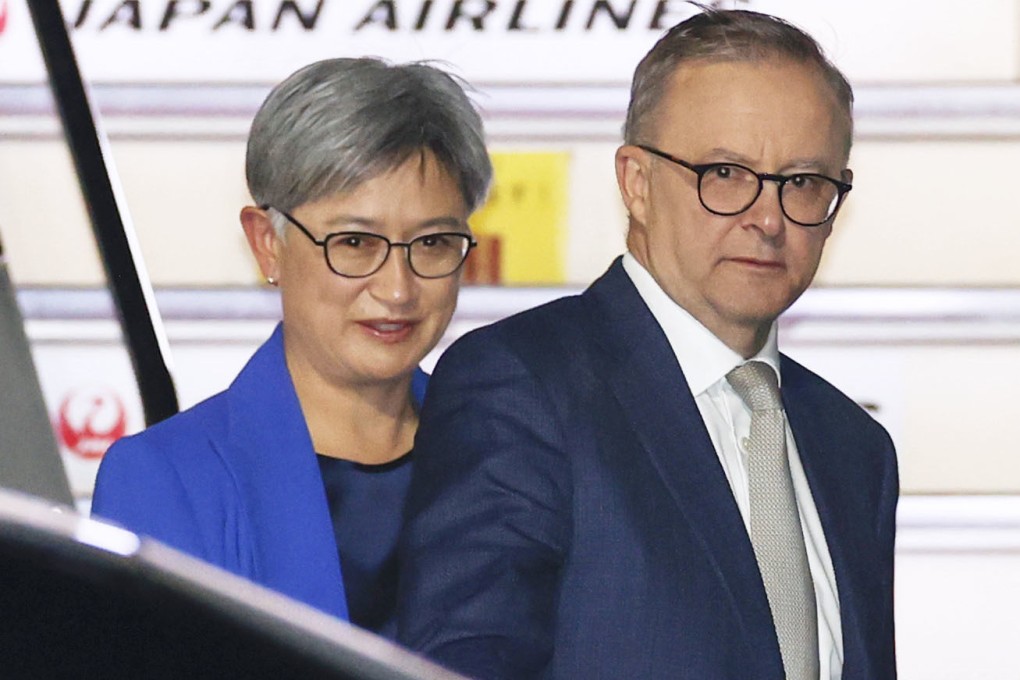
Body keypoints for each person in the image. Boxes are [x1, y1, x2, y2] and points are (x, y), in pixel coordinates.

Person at [397, 8, 897, 679]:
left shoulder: (854, 450)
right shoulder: (522, 386)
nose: (768, 218)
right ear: (635, 183)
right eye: (724, 173)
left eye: (803, 183)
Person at [91, 57, 492, 638]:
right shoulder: (165, 480)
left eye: (431, 243)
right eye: (354, 242)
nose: (398, 288)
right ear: (267, 243)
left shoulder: (508, 462)